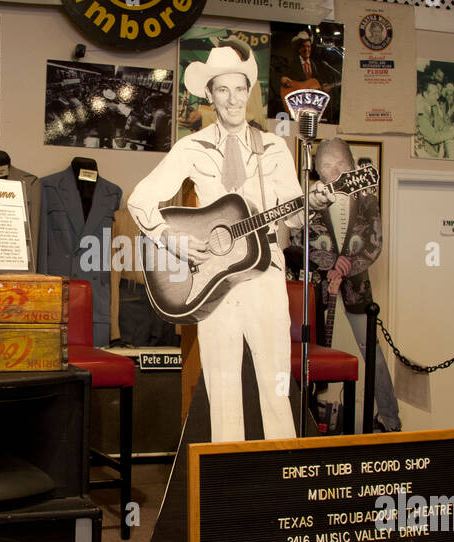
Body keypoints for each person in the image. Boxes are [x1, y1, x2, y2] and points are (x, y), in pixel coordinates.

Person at [129, 41, 334, 442]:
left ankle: (282, 480)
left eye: (240, 89)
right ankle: (229, 490)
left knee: (277, 385)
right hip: (213, 278)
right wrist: (174, 241)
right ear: (209, 96)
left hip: (266, 274)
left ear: (249, 92)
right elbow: (140, 201)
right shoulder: (191, 147)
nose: (233, 99)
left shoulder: (274, 147)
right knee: (222, 387)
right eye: (222, 90)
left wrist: (314, 203)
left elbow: (291, 214)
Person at [313, 139, 401, 432]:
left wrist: (348, 263)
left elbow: (374, 241)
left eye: (341, 164)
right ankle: (310, 412)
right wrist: (328, 264)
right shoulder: (311, 197)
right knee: (311, 348)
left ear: (351, 166)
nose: (335, 171)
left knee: (371, 349)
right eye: (327, 166)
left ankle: (389, 418)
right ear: (319, 171)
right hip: (318, 286)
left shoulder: (366, 196)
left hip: (357, 287)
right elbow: (302, 241)